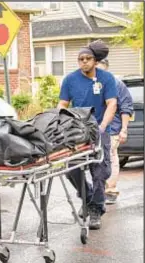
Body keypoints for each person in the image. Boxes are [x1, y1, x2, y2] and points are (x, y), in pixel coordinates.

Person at [57, 43, 117, 230]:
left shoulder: (106, 78)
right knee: (72, 170)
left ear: (95, 61)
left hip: (99, 130)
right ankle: (89, 199)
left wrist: (103, 126)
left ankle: (96, 210)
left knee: (99, 173)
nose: (84, 62)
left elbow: (112, 104)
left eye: (87, 59)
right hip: (77, 132)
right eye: (81, 59)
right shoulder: (70, 80)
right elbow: (62, 104)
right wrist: (58, 123)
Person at [96, 58, 134, 204]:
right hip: (97, 129)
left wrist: (124, 130)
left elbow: (126, 108)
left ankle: (110, 190)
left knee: (110, 157)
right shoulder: (94, 85)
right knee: (102, 159)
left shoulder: (117, 85)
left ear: (106, 68)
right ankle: (102, 190)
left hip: (113, 128)